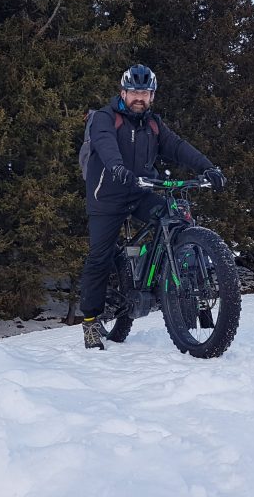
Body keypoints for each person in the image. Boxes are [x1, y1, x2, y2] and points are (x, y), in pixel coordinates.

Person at [79, 64, 226, 350]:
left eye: (144, 92)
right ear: (123, 92)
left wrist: (209, 168)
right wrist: (118, 169)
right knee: (99, 256)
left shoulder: (153, 124)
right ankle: (91, 323)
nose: (139, 97)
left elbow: (178, 146)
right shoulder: (105, 119)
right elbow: (106, 147)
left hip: (141, 191)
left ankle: (176, 285)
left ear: (152, 96)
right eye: (134, 91)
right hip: (106, 197)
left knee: (176, 217)